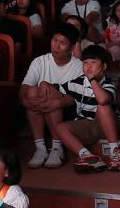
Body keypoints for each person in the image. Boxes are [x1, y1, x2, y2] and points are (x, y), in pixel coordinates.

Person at [21, 25, 85, 168]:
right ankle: (40, 148)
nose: (56, 46)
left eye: (62, 43)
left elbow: (77, 97)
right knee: (32, 91)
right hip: (39, 111)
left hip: (66, 112)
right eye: (54, 40)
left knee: (49, 92)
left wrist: (57, 103)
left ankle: (57, 147)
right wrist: (27, 102)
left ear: (72, 47)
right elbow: (24, 88)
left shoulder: (78, 67)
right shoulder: (40, 61)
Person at [55, 44, 120, 174]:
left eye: (93, 62)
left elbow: (103, 100)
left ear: (103, 67)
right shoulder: (77, 82)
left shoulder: (108, 84)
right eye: (85, 62)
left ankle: (116, 153)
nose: (88, 66)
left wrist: (92, 79)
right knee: (60, 127)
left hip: (111, 124)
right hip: (88, 124)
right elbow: (57, 90)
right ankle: (88, 157)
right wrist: (44, 85)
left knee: (103, 107)